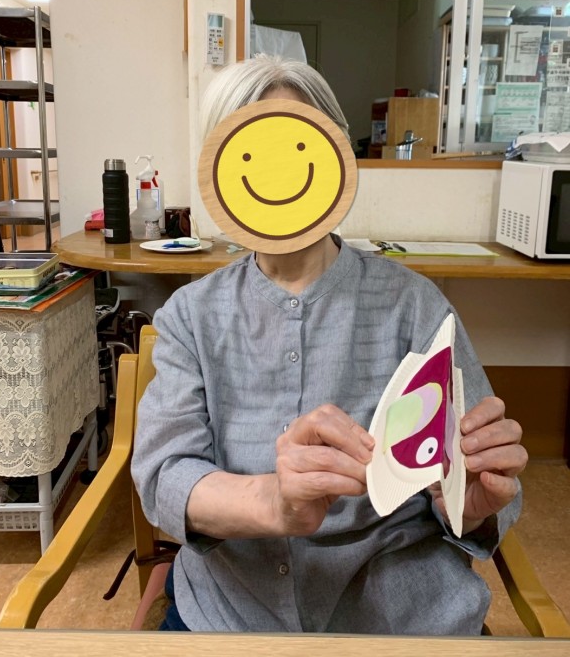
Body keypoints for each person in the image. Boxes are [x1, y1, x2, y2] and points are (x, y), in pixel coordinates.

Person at [131, 54, 527, 635]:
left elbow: (470, 478)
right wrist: (275, 502)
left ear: (337, 156)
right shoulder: (192, 315)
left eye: (296, 147)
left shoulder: (415, 305)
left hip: (400, 615)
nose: (276, 173)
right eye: (252, 152)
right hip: (232, 613)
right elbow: (165, 476)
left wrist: (464, 504)